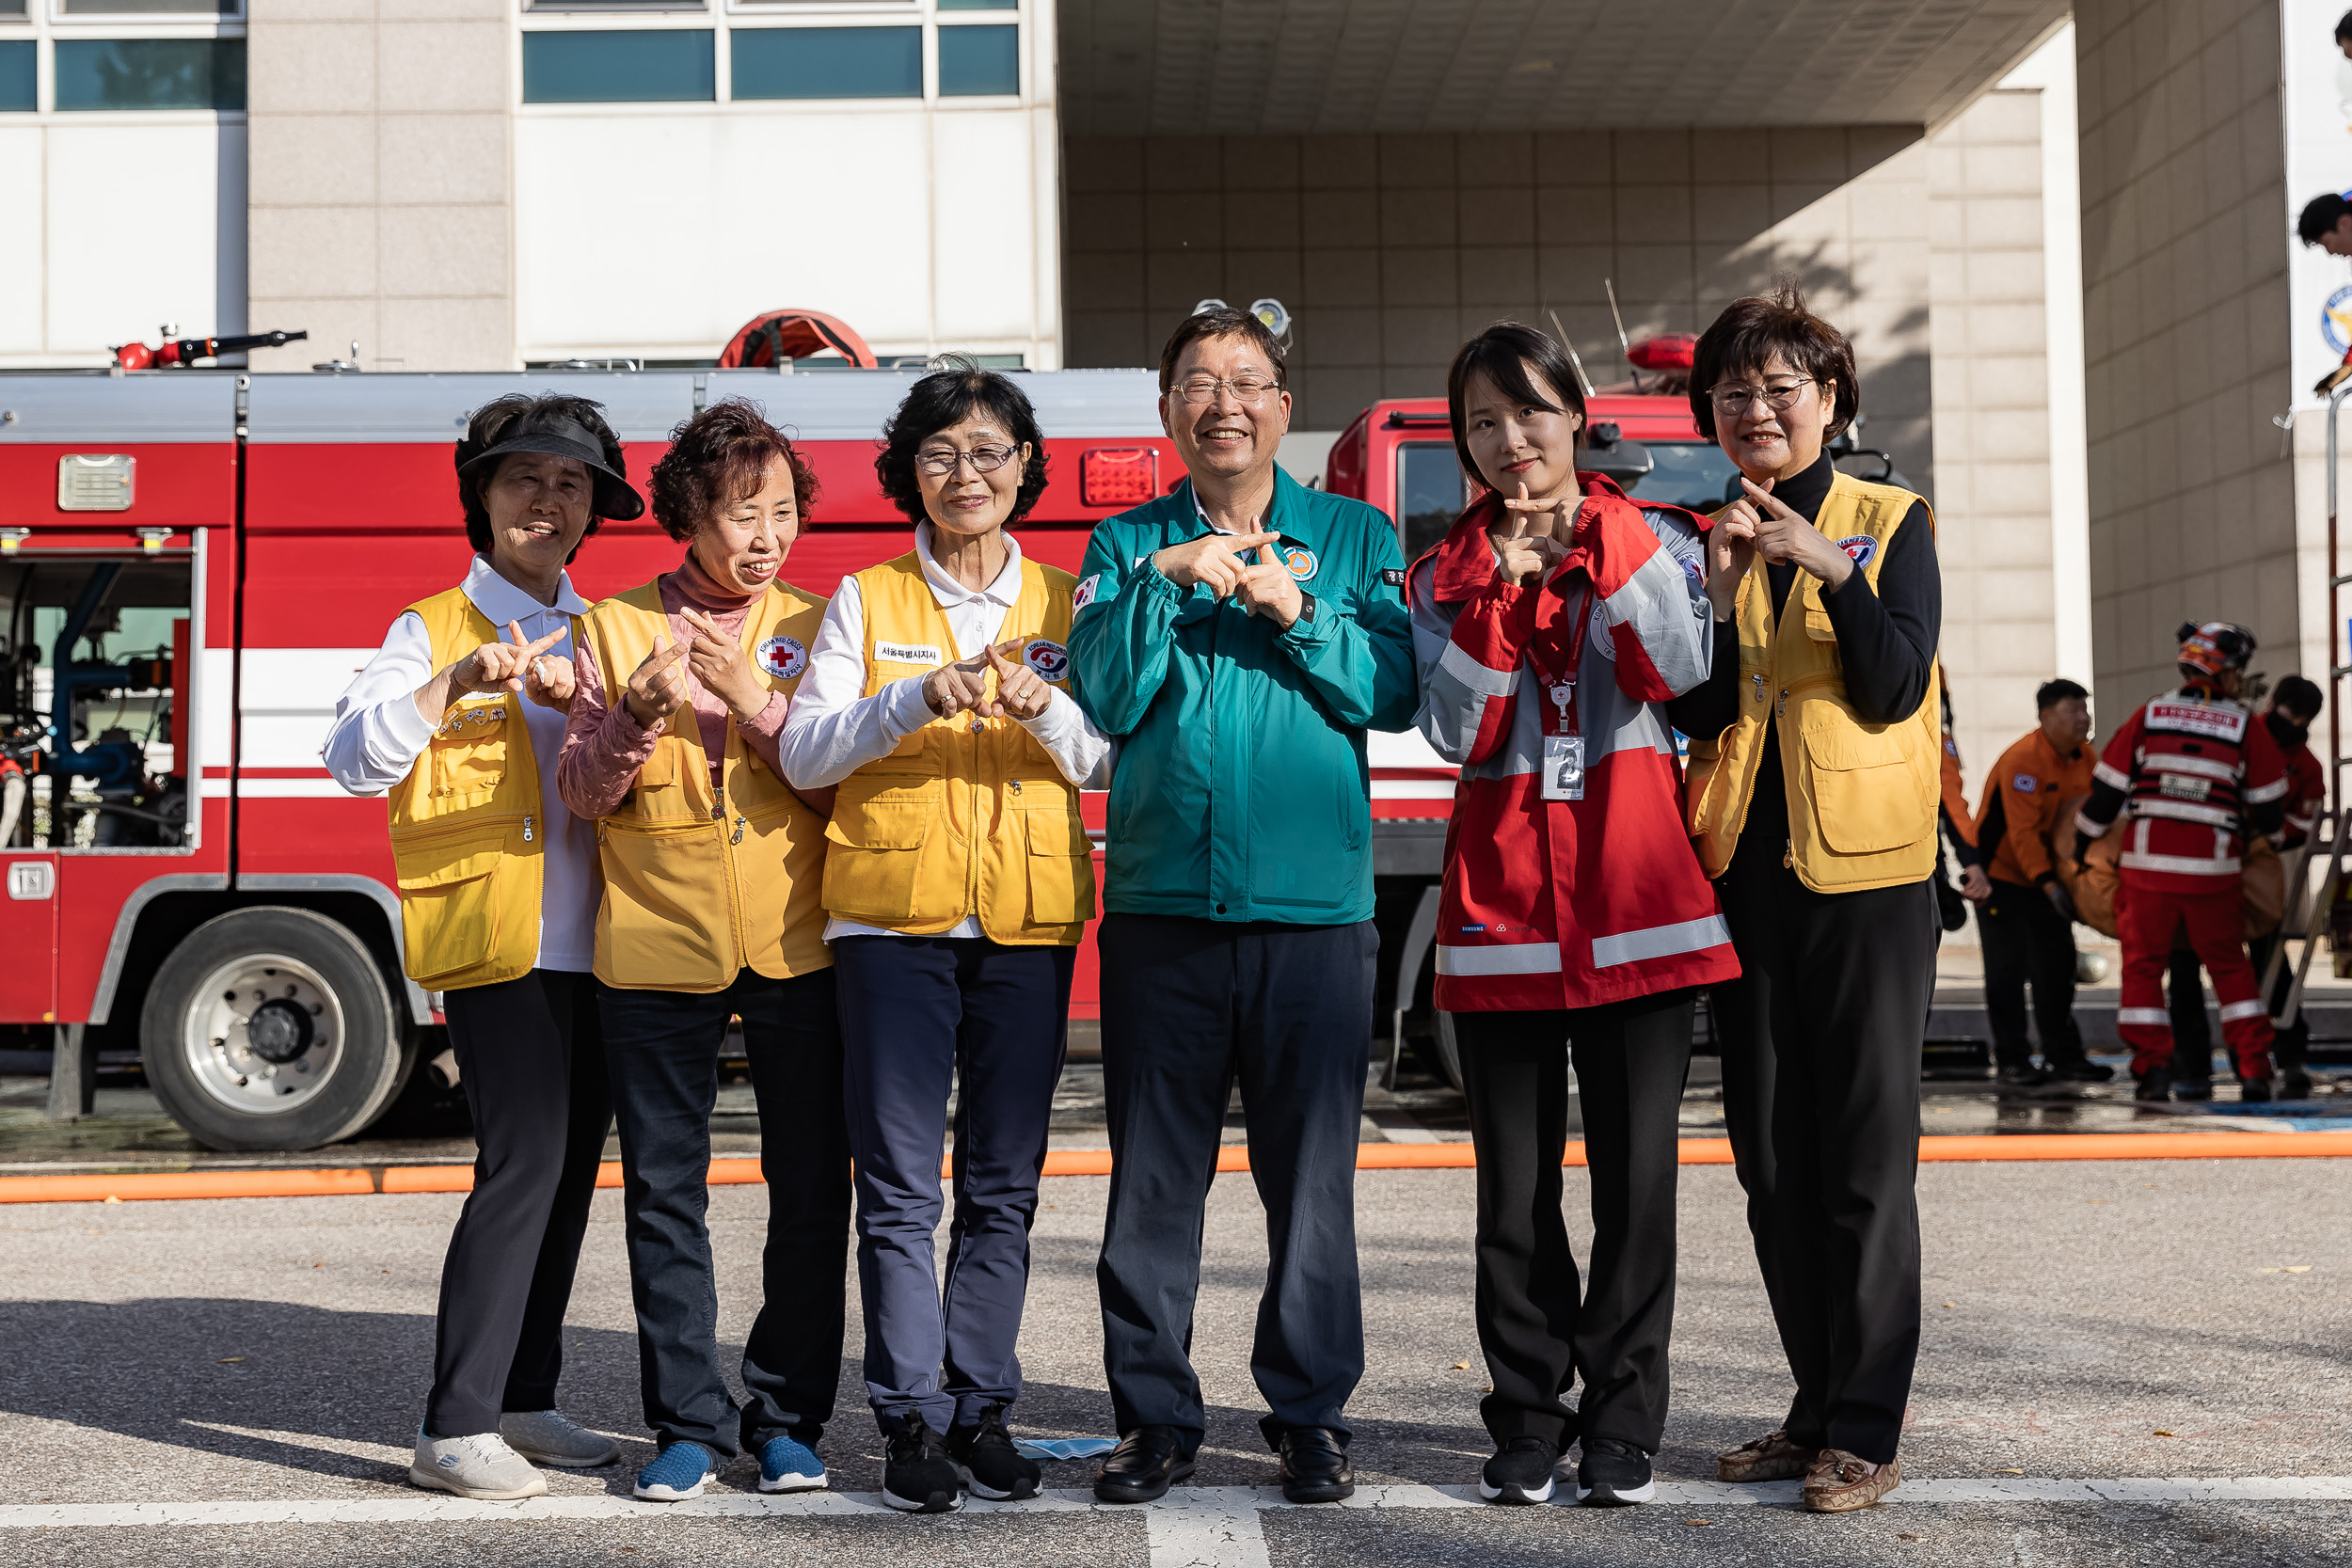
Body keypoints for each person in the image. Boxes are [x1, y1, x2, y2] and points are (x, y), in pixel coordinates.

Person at [1068, 305, 1417, 1508]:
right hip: (1164, 910)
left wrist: (1295, 612)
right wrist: (1165, 579)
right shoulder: (1121, 543)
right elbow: (1106, 696)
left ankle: (1309, 1413)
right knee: (1151, 1186)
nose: (1223, 401)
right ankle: (1153, 1417)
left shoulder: (1356, 533)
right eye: (1198, 382)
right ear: (1168, 408)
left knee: (1310, 1183)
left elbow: (1392, 689)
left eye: (1248, 380)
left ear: (1281, 404)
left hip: (1314, 915)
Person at [1408, 323, 1735, 1509]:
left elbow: (1679, 665)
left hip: (1636, 903)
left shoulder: (1652, 537)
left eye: (1531, 414)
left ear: (1575, 415)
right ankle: (1527, 1412)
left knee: (1637, 1185)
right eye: (1483, 425)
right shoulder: (1438, 570)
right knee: (1513, 1190)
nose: (1511, 442)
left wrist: (1601, 540)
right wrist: (1497, 599)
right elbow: (1455, 731)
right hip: (1501, 913)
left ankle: (1624, 1420)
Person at [777, 366, 1111, 1514]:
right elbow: (807, 753)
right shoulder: (866, 600)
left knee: (1006, 1183)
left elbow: (1112, 756)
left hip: (1027, 921)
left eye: (988, 450)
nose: (964, 473)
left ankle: (983, 1410)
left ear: (1024, 465)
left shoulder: (1071, 599)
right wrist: (914, 703)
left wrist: (1047, 709)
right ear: (906, 471)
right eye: (939, 452)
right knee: (903, 1188)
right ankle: (910, 1415)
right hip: (891, 924)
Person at [324, 392, 636, 1499]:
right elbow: (352, 757)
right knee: (524, 1166)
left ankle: (523, 1397)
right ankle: (453, 1421)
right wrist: (450, 684)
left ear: (593, 507)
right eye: (523, 480)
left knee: (566, 1177)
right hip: (499, 944)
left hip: (610, 947)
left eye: (569, 484)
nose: (546, 501)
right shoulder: (432, 629)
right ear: (483, 497)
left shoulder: (611, 629)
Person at [1668, 280, 1942, 1514]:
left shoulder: (1892, 517)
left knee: (1866, 1161)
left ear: (1830, 399)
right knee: (1772, 1161)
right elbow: (1698, 708)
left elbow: (1891, 685)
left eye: (1781, 387)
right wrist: (1719, 598)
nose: (1756, 407)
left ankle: (1866, 1426)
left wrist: (1830, 565)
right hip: (1744, 873)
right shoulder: (1705, 533)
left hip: (1871, 880)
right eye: (1732, 392)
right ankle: (1815, 1399)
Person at [555, 399, 850, 1503]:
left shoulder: (826, 623)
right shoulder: (613, 626)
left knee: (813, 1188)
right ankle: (686, 1421)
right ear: (687, 513)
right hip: (653, 946)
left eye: (782, 511)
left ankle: (787, 1417)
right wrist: (631, 715)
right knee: (663, 1192)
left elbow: (839, 787)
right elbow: (582, 792)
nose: (765, 535)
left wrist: (757, 703)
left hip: (798, 938)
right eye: (740, 512)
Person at [2072, 623, 2289, 1102]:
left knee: (2144, 969)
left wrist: (2081, 845)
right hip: (2214, 874)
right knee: (2231, 969)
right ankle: (2254, 1072)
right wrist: (2271, 840)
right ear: (2225, 671)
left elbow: (2106, 792)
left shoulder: (2150, 714)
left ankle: (2153, 1074)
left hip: (2147, 872)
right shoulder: (2242, 724)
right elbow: (2270, 807)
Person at [1974, 678, 2106, 1088]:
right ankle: (2013, 1060)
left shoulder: (2086, 758)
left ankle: (2063, 1056)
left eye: (2085, 710)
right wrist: (2050, 885)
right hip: (2001, 878)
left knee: (2057, 967)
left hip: (2048, 877)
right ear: (2045, 717)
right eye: (2073, 711)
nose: (2083, 719)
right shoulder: (2023, 761)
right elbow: (2022, 834)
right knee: (2007, 972)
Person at [2250, 676, 2325, 1099]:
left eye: (2303, 718)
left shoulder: (2307, 766)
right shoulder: (2244, 737)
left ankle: (2288, 1055)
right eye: (2290, 712)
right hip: (2220, 867)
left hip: (2262, 876)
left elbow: (2305, 822)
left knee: (2271, 965)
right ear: (2274, 702)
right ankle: (2192, 1063)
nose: (2295, 723)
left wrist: (2268, 834)